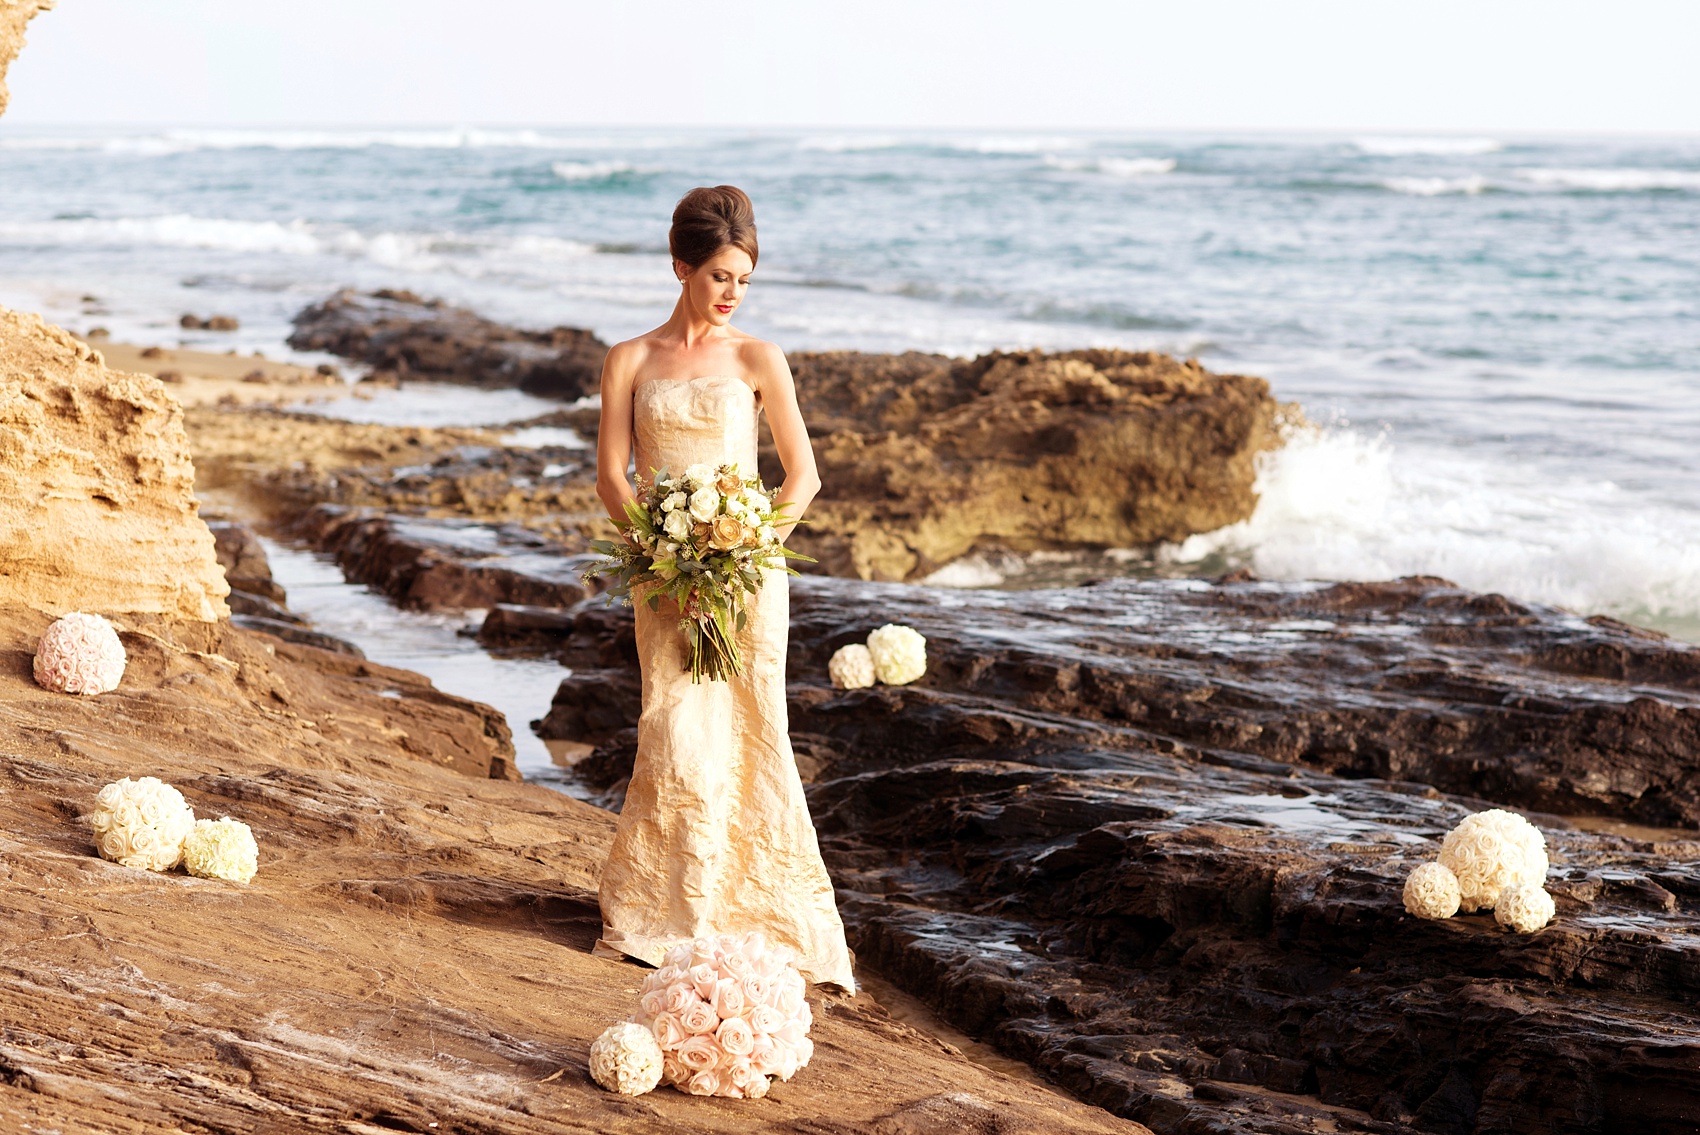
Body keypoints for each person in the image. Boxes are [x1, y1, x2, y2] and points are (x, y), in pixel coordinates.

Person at [590, 185, 856, 992]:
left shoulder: (757, 358)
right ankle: (670, 911)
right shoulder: (630, 359)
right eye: (719, 275)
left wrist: (736, 558)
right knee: (672, 728)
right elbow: (612, 475)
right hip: (663, 574)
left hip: (747, 578)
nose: (733, 290)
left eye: (743, 275)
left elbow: (802, 478)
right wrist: (668, 560)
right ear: (680, 266)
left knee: (751, 729)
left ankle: (761, 911)